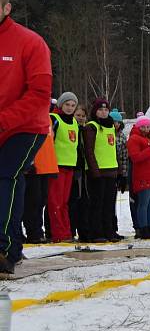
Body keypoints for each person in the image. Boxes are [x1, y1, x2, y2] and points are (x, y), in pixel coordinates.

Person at [0, 0, 52, 274]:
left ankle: (4, 249)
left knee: (6, 173)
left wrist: (4, 120)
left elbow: (39, 94)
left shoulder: (30, 42)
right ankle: (15, 245)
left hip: (26, 127)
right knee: (10, 178)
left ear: (7, 8)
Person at [83, 99, 121, 243]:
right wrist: (94, 170)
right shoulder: (91, 127)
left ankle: (109, 231)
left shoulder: (111, 126)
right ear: (95, 111)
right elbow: (89, 150)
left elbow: (112, 149)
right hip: (98, 172)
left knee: (109, 204)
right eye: (100, 110)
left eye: (106, 110)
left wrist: (119, 171)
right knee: (97, 204)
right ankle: (96, 232)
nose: (103, 112)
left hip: (111, 171)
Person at [47, 93, 81, 243]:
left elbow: (75, 145)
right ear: (60, 105)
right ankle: (57, 234)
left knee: (65, 202)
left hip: (70, 166)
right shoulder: (54, 118)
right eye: (67, 105)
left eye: (73, 105)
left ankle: (67, 232)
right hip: (56, 166)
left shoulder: (74, 121)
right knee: (55, 202)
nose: (70, 108)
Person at [127, 116, 150, 239]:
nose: (145, 129)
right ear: (138, 126)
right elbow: (135, 158)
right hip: (144, 177)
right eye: (143, 126)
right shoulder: (134, 139)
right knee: (144, 204)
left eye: (148, 126)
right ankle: (143, 228)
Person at [22, 112, 58, 243]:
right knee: (32, 201)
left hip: (46, 165)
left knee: (42, 200)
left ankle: (37, 230)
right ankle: (33, 232)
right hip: (33, 166)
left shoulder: (47, 117)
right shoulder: (31, 115)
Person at [69, 105, 91, 241]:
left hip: (85, 169)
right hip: (74, 168)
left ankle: (84, 231)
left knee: (85, 201)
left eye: (83, 116)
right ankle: (71, 230)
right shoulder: (72, 128)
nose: (81, 118)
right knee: (74, 200)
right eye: (78, 115)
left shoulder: (85, 129)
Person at [110, 108, 127, 240]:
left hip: (118, 170)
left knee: (113, 201)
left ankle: (114, 227)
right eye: (113, 121)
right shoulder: (106, 133)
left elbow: (123, 156)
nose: (116, 124)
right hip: (107, 169)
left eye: (118, 122)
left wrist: (123, 175)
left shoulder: (122, 136)